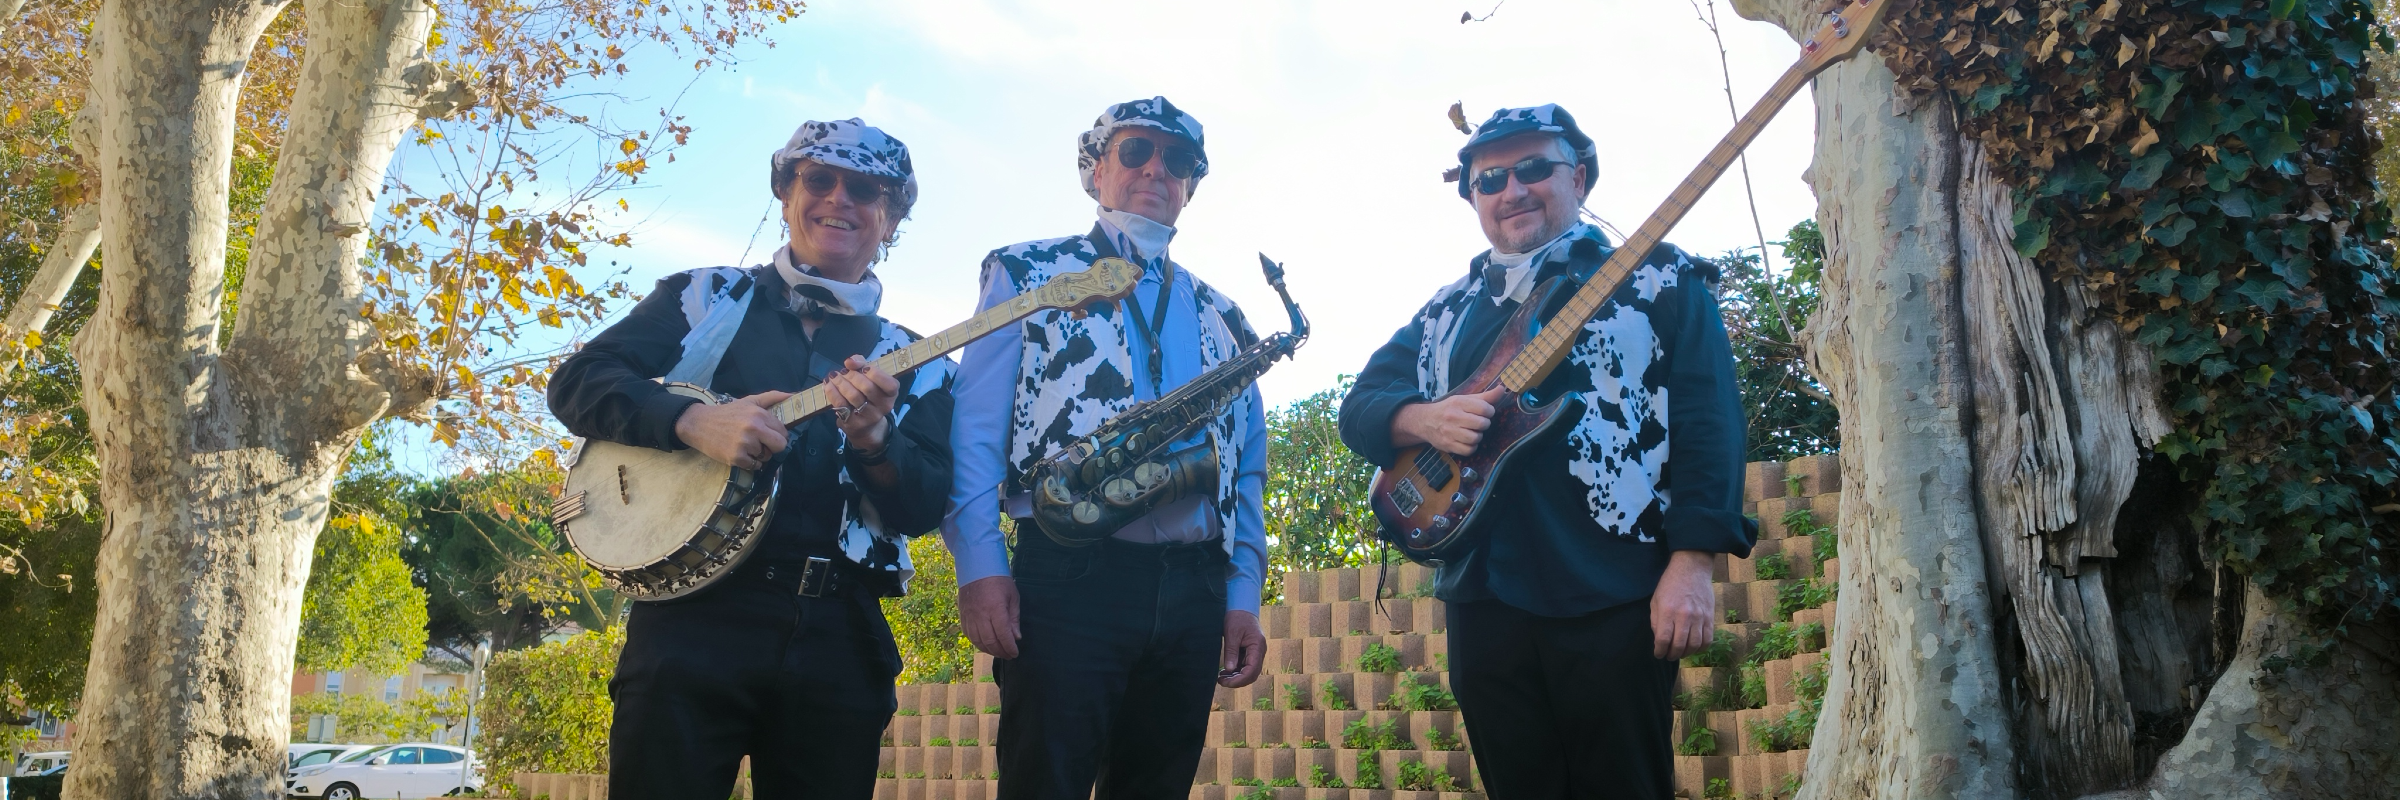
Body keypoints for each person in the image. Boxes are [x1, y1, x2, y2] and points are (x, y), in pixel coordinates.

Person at [1336, 104, 1755, 799]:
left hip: (1615, 584)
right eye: (1490, 179)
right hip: (1483, 591)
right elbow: (1361, 409)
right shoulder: (1445, 310)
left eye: (1535, 169)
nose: (1513, 190)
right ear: (1472, 197)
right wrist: (1425, 419)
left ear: (1579, 178)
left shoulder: (1659, 280)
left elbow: (1710, 421)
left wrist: (1693, 562)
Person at [546, 118, 955, 800]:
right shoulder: (699, 298)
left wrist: (874, 440)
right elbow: (576, 384)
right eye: (818, 179)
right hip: (690, 622)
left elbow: (921, 507)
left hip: (840, 635)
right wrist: (690, 420)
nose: (840, 199)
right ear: (784, 193)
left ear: (892, 217)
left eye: (866, 189)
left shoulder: (924, 362)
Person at [941, 96, 1269, 800]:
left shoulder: (1225, 314)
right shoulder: (1026, 273)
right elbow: (972, 431)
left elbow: (1248, 469)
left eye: (1177, 160)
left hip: (1193, 587)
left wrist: (1242, 594)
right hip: (1068, 574)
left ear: (1191, 184)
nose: (1157, 168)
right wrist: (978, 563)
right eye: (1135, 150)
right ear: (1094, 170)